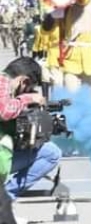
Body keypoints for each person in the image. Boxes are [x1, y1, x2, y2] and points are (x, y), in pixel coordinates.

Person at [0, 57, 60, 201]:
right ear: (23, 81)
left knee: (50, 151)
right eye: (29, 87)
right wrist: (28, 98)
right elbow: (4, 112)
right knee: (50, 154)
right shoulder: (2, 82)